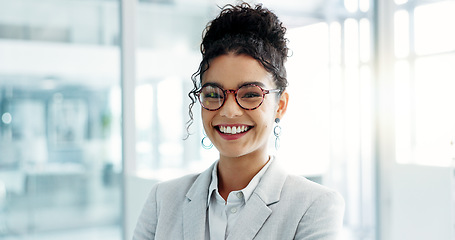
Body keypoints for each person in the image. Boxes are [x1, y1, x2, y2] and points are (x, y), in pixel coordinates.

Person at [133, 3, 345, 240]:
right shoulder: (163, 199)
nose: (230, 111)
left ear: (281, 105)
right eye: (213, 94)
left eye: (251, 94)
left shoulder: (314, 207)